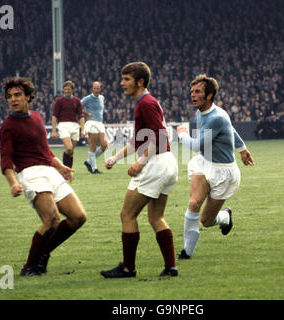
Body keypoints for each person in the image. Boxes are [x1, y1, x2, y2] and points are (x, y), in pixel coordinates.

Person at [0, 77, 87, 276]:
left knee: (78, 217)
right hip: (31, 175)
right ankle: (29, 266)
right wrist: (13, 183)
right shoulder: (7, 127)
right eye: (9, 96)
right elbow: (6, 160)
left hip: (50, 171)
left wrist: (60, 166)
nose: (13, 99)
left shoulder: (37, 117)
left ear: (28, 97)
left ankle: (43, 253)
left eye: (17, 95)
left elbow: (44, 150)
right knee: (52, 219)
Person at [100, 62, 178, 278]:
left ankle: (128, 268)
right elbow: (139, 140)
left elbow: (159, 136)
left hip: (155, 163)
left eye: (126, 79)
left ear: (140, 81)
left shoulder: (145, 103)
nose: (121, 83)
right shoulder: (147, 102)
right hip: (168, 162)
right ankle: (171, 268)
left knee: (127, 214)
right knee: (156, 217)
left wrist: (141, 162)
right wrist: (116, 157)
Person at [176, 74, 254, 260]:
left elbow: (196, 145)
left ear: (209, 95)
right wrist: (243, 149)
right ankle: (187, 252)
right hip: (204, 164)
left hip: (224, 173)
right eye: (192, 91)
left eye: (198, 92)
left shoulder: (216, 118)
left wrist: (182, 134)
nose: (193, 95)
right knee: (194, 203)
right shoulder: (201, 112)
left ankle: (225, 217)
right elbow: (232, 129)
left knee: (206, 220)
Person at [51, 81, 85, 169]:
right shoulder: (59, 101)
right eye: (65, 89)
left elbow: (81, 116)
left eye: (68, 89)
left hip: (75, 126)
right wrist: (54, 130)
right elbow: (54, 116)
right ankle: (64, 170)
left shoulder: (77, 101)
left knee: (71, 152)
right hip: (63, 125)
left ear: (72, 90)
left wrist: (83, 129)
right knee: (69, 148)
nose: (66, 91)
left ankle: (68, 171)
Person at [81, 81, 109, 174]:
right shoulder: (88, 98)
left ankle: (89, 162)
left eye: (98, 88)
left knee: (105, 145)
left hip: (100, 123)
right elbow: (78, 106)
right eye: (95, 88)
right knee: (92, 146)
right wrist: (86, 113)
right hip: (92, 123)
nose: (96, 90)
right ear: (92, 89)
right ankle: (94, 169)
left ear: (100, 89)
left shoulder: (102, 97)